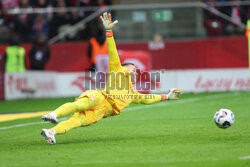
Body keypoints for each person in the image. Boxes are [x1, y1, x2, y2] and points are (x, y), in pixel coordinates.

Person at [41, 12, 182, 145]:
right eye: (133, 69)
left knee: (76, 122)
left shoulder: (133, 94)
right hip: (99, 97)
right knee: (80, 105)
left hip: (101, 112)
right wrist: (109, 32)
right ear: (125, 67)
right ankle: (53, 114)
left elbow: (148, 98)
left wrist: (167, 96)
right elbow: (112, 50)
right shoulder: (117, 69)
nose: (136, 72)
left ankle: (51, 132)